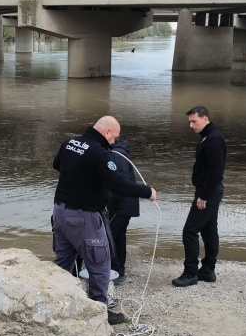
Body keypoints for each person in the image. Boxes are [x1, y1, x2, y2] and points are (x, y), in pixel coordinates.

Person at [52, 116, 156, 324]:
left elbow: (57, 165)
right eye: (114, 137)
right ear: (107, 132)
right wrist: (147, 191)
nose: (114, 142)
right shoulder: (100, 154)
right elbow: (118, 184)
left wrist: (82, 177)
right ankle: (99, 312)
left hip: (60, 213)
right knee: (99, 265)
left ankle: (56, 305)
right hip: (85, 217)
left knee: (63, 262)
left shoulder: (70, 142)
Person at [173, 106, 226, 288]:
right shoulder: (208, 137)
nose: (191, 125)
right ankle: (208, 270)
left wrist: (203, 196)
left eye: (194, 121)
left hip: (208, 191)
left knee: (190, 231)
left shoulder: (214, 140)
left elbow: (215, 171)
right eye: (189, 121)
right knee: (209, 230)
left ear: (205, 119)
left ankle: (191, 273)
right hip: (210, 190)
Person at [107, 139, 139, 285]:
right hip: (127, 205)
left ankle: (115, 270)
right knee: (119, 236)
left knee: (108, 236)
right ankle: (119, 270)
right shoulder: (121, 154)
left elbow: (118, 183)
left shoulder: (115, 155)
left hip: (119, 206)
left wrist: (108, 200)